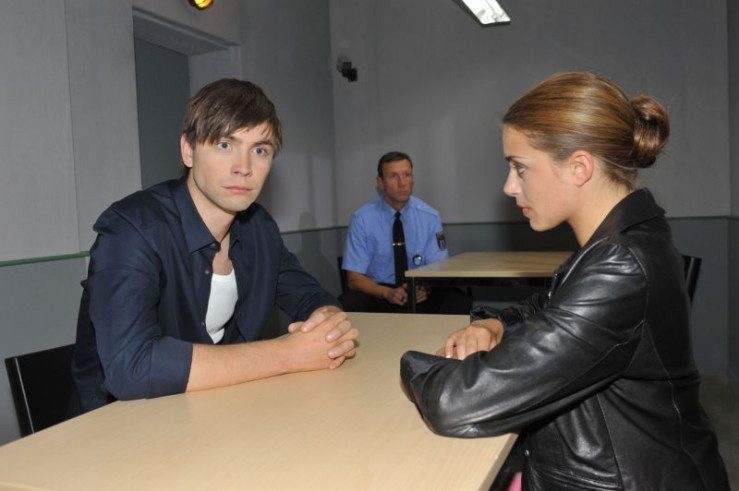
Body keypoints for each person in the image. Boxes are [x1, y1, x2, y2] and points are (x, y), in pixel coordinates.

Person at [400, 72, 729, 490]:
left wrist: (411, 363)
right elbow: (551, 306)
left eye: (520, 167)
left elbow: (456, 403)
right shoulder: (625, 239)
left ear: (578, 168)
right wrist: (495, 324)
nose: (509, 186)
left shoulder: (621, 266)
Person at [71, 79, 358, 414]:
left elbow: (310, 296)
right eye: (225, 145)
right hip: (116, 426)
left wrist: (328, 329)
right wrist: (288, 355)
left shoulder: (259, 228)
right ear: (188, 151)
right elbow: (132, 367)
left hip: (212, 413)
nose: (244, 168)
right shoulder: (132, 230)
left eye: (260, 150)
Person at [339, 151, 471, 314]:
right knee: (346, 303)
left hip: (419, 290)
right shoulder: (362, 219)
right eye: (393, 176)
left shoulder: (430, 217)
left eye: (406, 175)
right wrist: (386, 293)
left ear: (412, 178)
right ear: (380, 183)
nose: (402, 183)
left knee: (458, 301)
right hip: (380, 293)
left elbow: (439, 268)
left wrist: (424, 288)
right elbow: (354, 279)